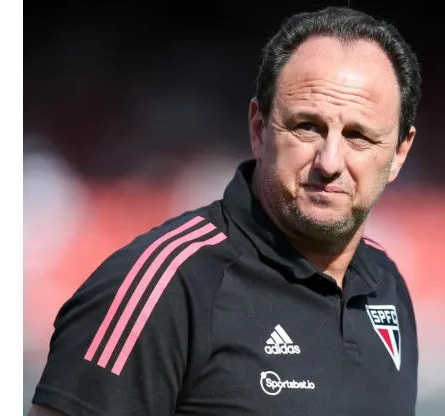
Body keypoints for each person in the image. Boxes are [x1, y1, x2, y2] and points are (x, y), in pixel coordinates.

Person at [29, 6, 421, 416]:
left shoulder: (386, 284)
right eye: (307, 127)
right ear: (258, 129)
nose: (330, 160)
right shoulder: (167, 286)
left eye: (358, 136)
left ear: (398, 153)